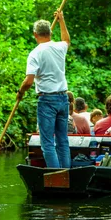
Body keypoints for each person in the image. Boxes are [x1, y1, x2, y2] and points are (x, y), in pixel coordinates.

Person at [17, 11, 70, 169]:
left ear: (35, 34)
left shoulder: (35, 54)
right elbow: (66, 39)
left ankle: (57, 176)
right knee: (62, 140)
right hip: (63, 99)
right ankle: (66, 172)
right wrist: (62, 20)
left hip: (47, 100)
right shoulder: (60, 47)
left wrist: (20, 92)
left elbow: (28, 81)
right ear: (50, 32)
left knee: (47, 143)